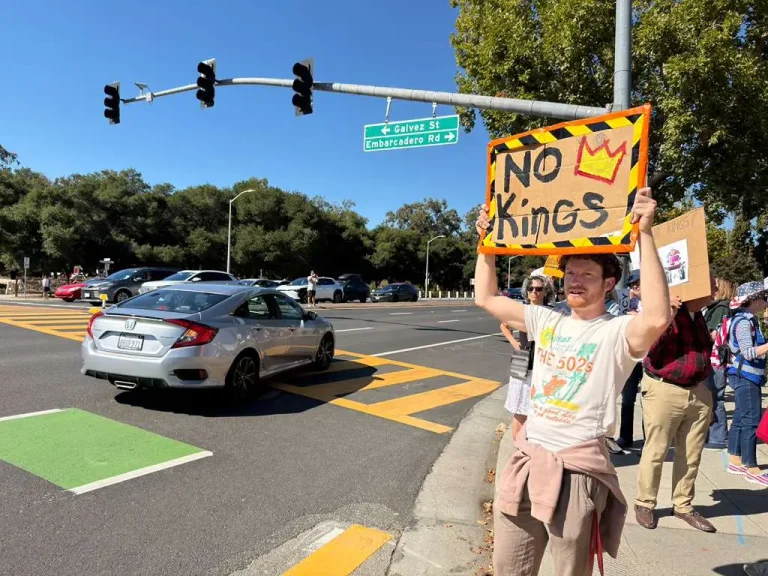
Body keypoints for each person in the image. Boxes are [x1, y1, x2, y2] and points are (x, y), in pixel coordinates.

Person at [476, 187, 671, 576]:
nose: (575, 281)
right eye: (570, 274)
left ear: (609, 283)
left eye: (587, 274)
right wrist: (486, 243)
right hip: (527, 459)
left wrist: (646, 234)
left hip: (579, 470)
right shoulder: (546, 318)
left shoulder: (617, 332)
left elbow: (656, 318)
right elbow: (486, 298)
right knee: (509, 568)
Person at [634, 271, 719, 533]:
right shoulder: (669, 313)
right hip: (665, 389)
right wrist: (667, 314)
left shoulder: (698, 316)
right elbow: (649, 346)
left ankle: (683, 505)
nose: (715, 292)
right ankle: (644, 503)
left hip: (697, 391)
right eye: (711, 286)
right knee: (656, 450)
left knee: (691, 454)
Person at [502, 274, 555, 438]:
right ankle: (518, 446)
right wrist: (514, 342)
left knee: (540, 408)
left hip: (544, 365)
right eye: (531, 289)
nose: (534, 292)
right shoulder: (522, 310)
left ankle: (532, 443)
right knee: (520, 409)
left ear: (546, 291)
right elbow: (504, 325)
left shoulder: (552, 312)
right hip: (524, 363)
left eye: (539, 289)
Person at [726, 281, 768, 486]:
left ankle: (735, 458)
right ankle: (751, 467)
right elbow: (748, 353)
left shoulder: (747, 320)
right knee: (751, 420)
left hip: (744, 375)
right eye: (764, 297)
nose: (766, 301)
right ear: (754, 300)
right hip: (747, 376)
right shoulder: (744, 323)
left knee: (741, 418)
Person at [704, 277, 737, 450]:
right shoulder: (719, 307)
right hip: (715, 358)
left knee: (715, 396)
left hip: (715, 358)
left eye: (714, 286)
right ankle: (714, 434)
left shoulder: (720, 308)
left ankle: (717, 436)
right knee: (713, 396)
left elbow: (714, 335)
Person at [617, 269, 644, 449]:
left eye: (638, 284)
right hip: (632, 357)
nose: (635, 288)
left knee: (648, 402)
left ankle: (648, 441)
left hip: (650, 359)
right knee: (627, 399)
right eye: (633, 285)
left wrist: (640, 317)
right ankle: (625, 436)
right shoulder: (628, 303)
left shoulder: (656, 303)